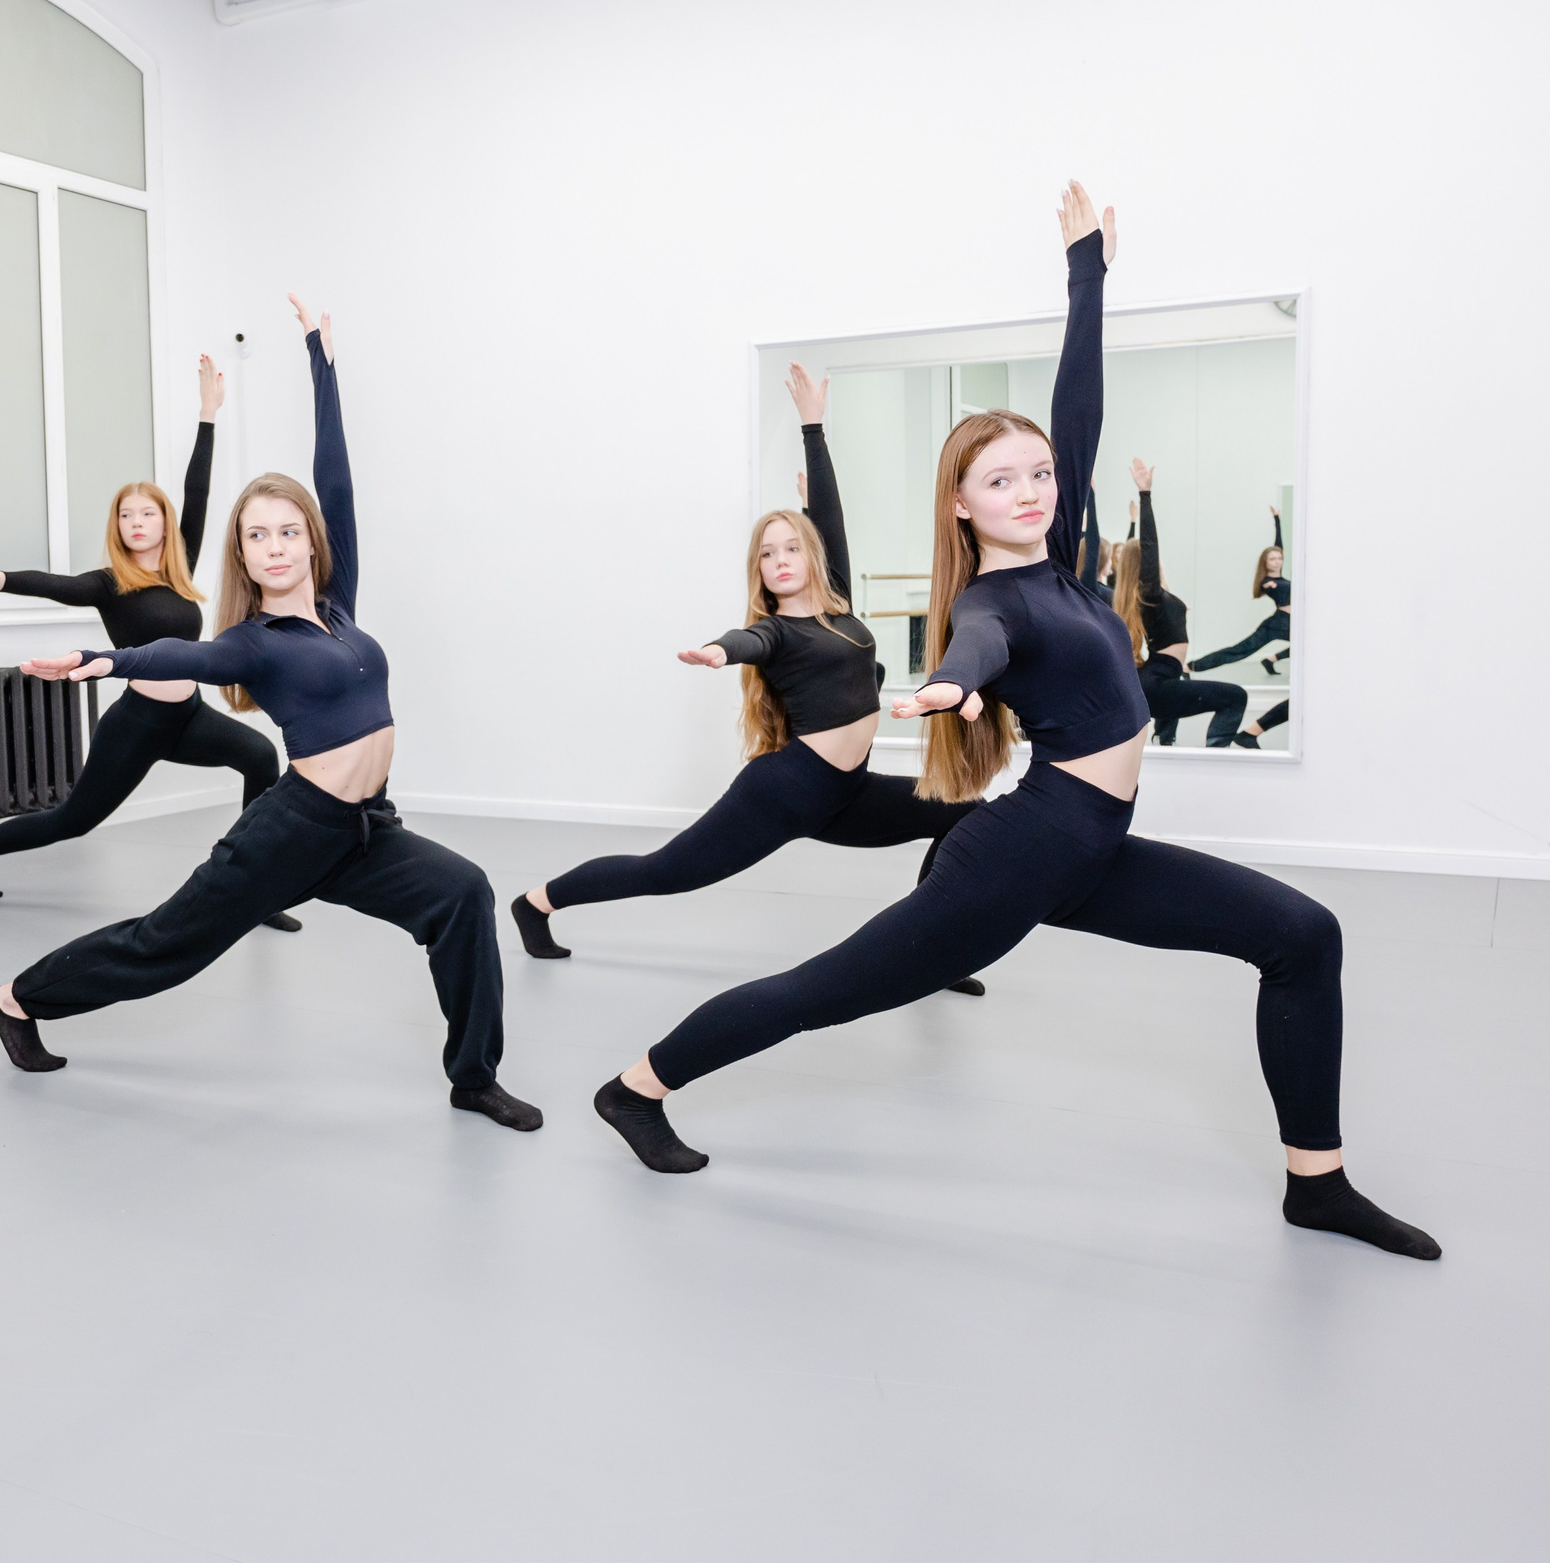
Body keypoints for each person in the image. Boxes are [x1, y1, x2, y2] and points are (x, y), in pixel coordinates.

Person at [588, 186, 1436, 1262]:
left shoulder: (1065, 555)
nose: (1031, 488)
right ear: (960, 503)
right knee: (824, 992)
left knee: (1302, 935)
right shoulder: (993, 601)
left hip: (1085, 848)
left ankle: (1314, 1182)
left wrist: (1087, 272)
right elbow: (975, 651)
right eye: (1002, 479)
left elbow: (1074, 409)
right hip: (1019, 855)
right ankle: (635, 1085)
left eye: (1037, 473)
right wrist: (946, 685)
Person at [0, 299, 540, 1133]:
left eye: (288, 531)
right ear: (240, 554)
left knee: (462, 893)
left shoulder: (341, 606)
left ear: (311, 542)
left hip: (366, 828)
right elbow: (184, 659)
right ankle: (16, 997)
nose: (275, 546)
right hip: (290, 830)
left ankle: (473, 1076)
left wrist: (321, 359)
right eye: (256, 536)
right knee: (163, 949)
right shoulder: (253, 641)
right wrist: (103, 660)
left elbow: (337, 479)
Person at [510, 362, 984, 996]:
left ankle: (933, 951)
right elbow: (749, 640)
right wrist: (719, 650)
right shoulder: (776, 632)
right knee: (668, 870)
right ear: (758, 571)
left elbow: (832, 517)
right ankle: (537, 902)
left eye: (791, 547)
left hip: (848, 792)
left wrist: (813, 426)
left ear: (810, 555)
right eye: (767, 553)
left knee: (962, 814)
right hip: (785, 792)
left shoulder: (838, 605)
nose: (780, 560)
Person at [0, 355, 296, 931]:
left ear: (163, 521)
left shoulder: (181, 568)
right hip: (138, 723)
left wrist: (208, 414)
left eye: (146, 513)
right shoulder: (110, 584)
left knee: (260, 757)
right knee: (72, 820)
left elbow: (196, 491)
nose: (136, 522)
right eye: (126, 515)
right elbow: (52, 585)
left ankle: (247, 886)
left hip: (188, 716)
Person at [1116, 460, 1248, 747]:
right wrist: (1146, 494)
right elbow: (1148, 548)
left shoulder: (1151, 597)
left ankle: (1168, 743)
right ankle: (1217, 758)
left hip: (1161, 677)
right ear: (1144, 567)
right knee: (1236, 696)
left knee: (1176, 715)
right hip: (1157, 681)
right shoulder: (1149, 595)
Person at [1192, 508, 1291, 675]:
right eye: (1272, 559)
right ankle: (1191, 666)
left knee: (1308, 644)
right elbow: (1267, 585)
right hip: (1278, 624)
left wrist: (1277, 519)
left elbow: (1278, 545)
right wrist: (1269, 586)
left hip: (1288, 622)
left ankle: (1271, 659)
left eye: (1279, 558)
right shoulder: (1267, 582)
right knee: (1238, 651)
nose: (1277, 562)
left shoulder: (1280, 577)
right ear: (1265, 563)